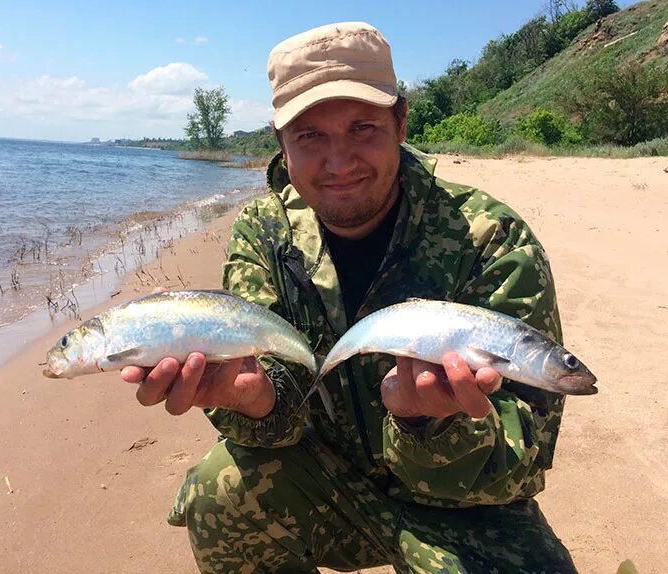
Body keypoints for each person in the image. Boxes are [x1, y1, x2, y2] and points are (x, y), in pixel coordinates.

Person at [122, 21, 577, 573]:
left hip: (464, 505)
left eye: (363, 127)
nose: (339, 163)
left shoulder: (490, 238)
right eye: (310, 136)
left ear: (401, 122)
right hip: (323, 485)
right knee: (220, 490)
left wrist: (431, 424)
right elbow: (272, 404)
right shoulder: (264, 233)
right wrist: (252, 399)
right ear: (280, 142)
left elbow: (526, 459)